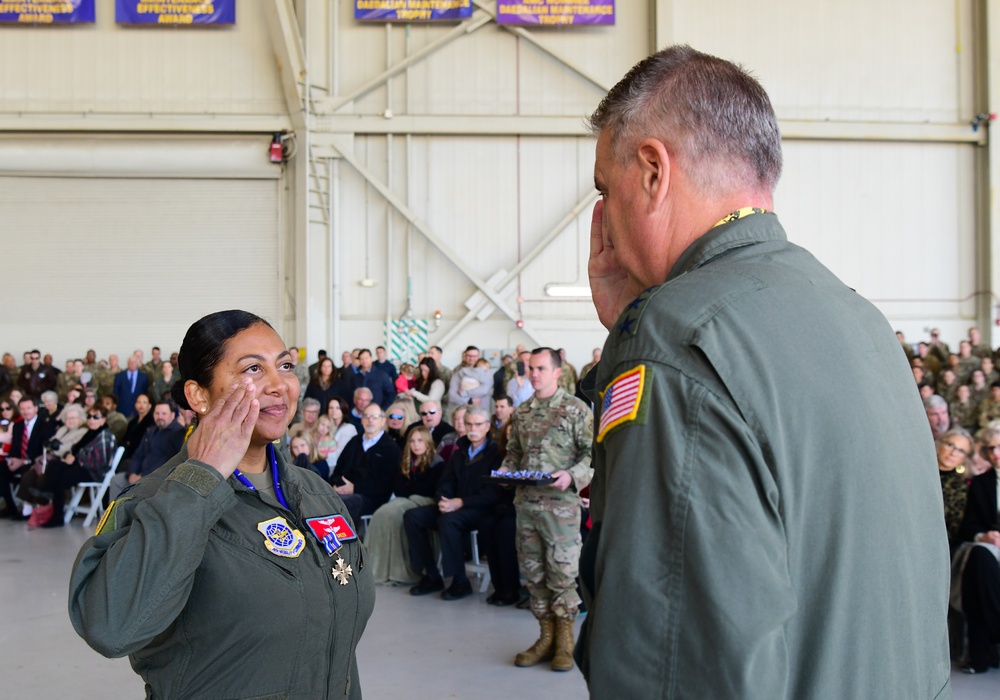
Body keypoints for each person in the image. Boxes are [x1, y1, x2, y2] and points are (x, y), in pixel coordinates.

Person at [575, 45, 951, 698]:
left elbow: (666, 658)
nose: (606, 215)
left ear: (653, 172)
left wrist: (638, 334)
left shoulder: (675, 338)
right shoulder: (859, 320)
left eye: (607, 188)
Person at [69, 309, 374, 698]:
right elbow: (112, 628)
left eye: (285, 365)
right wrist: (201, 480)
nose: (280, 384)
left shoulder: (318, 494)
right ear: (199, 395)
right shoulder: (153, 501)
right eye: (253, 369)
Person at [499, 347, 593, 672]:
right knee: (535, 576)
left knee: (562, 576)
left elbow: (593, 455)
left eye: (540, 368)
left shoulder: (576, 409)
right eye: (529, 368)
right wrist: (505, 472)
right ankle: (545, 637)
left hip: (561, 510)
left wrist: (572, 475)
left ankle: (565, 642)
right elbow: (513, 452)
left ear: (557, 371)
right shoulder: (522, 412)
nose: (533, 374)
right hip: (526, 506)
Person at [404, 406, 502, 601]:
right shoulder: (459, 452)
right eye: (469, 424)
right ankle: (431, 575)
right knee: (413, 516)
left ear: (487, 427)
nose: (472, 428)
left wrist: (460, 502)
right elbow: (445, 482)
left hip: (481, 510)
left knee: (448, 521)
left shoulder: (496, 454)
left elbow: (493, 494)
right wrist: (444, 500)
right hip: (453, 506)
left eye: (477, 424)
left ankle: (460, 582)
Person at [366, 426, 444, 585]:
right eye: (413, 441)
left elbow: (428, 489)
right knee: (382, 514)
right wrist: (411, 489)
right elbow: (399, 488)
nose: (416, 445)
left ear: (428, 442)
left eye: (420, 441)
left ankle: (400, 568)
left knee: (393, 515)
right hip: (404, 500)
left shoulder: (437, 463)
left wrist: (411, 489)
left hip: (425, 502)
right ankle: (378, 567)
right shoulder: (406, 462)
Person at [954, 426, 1000, 673]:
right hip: (991, 549)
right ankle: (985, 647)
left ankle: (986, 649)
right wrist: (984, 535)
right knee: (978, 559)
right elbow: (968, 525)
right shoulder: (981, 483)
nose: (996, 453)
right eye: (990, 448)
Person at [331, 403, 401, 525]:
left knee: (343, 503)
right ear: (362, 420)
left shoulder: (391, 448)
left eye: (374, 417)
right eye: (367, 416)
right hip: (342, 491)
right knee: (322, 499)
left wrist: (354, 488)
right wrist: (333, 486)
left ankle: (343, 542)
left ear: (383, 421)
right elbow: (339, 468)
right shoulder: (354, 442)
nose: (370, 420)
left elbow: (387, 484)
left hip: (371, 498)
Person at [326, 397, 358, 469]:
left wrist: (321, 455)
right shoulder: (325, 427)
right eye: (331, 407)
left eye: (338, 408)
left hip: (338, 466)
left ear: (343, 410)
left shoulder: (349, 428)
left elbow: (339, 454)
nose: (334, 411)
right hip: (325, 462)